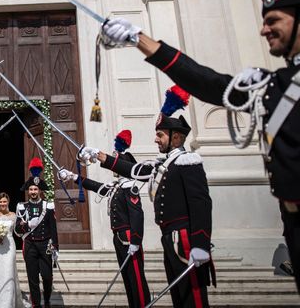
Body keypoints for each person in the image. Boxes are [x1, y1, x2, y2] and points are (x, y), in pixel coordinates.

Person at [100, 0, 300, 293]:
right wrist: (139, 38)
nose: (264, 28)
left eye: (274, 19)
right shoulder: (270, 85)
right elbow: (206, 82)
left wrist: (202, 241)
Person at [81, 88, 213, 308]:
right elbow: (132, 169)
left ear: (176, 137)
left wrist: (201, 242)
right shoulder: (162, 165)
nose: (155, 139)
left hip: (186, 239)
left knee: (194, 300)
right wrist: (99, 155)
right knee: (179, 298)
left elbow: (201, 204)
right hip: (169, 239)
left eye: (160, 135)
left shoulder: (188, 161)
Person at [59, 130, 150, 308]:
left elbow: (137, 215)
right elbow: (96, 186)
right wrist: (73, 177)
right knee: (127, 277)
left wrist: (136, 241)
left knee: (136, 279)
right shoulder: (117, 187)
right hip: (119, 238)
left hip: (129, 238)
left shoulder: (130, 187)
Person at [14, 157, 58, 308]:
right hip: (30, 245)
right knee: (32, 278)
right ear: (28, 191)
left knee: (47, 276)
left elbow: (53, 228)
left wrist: (56, 247)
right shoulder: (21, 207)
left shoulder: (48, 206)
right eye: (31, 189)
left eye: (35, 189)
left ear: (40, 191)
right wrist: (25, 226)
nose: (33, 191)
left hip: (45, 245)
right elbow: (17, 230)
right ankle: (36, 305)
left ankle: (46, 299)